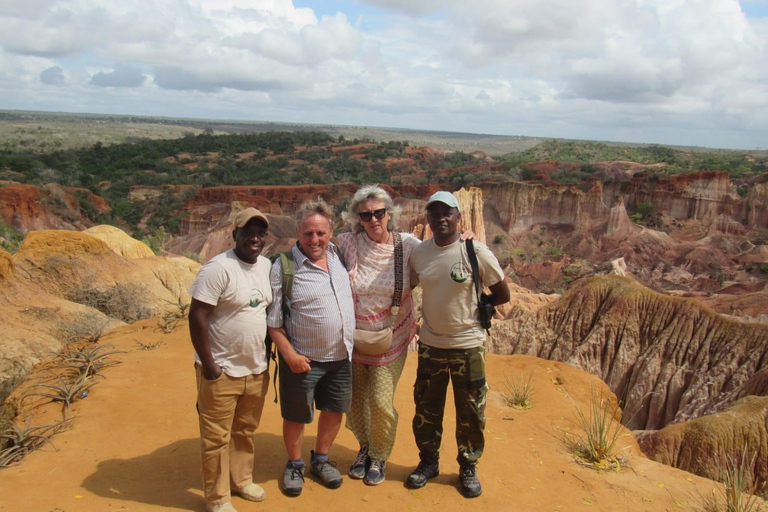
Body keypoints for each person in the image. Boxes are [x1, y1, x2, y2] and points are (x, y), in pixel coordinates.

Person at [407, 191, 511, 498]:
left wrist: (484, 306)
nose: (440, 219)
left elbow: (503, 294)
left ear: (458, 217)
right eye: (434, 214)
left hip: (468, 345)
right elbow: (411, 284)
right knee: (426, 408)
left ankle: (468, 467)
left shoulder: (475, 251)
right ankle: (428, 463)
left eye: (447, 213)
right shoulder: (420, 254)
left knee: (470, 412)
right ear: (427, 218)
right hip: (431, 345)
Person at [266, 198, 356, 498]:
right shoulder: (284, 266)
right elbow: (273, 322)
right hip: (302, 358)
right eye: (308, 233)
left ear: (331, 232)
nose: (315, 239)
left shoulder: (339, 255)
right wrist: (289, 355)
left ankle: (321, 459)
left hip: (341, 356)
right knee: (296, 415)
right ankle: (294, 464)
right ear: (298, 232)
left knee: (333, 411)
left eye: (320, 232)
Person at [188, 207, 273, 512]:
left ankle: (241, 480)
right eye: (247, 232)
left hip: (255, 369)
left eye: (259, 232)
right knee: (215, 439)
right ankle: (217, 499)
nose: (254, 238)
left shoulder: (265, 266)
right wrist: (210, 368)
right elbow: (197, 317)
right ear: (234, 234)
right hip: (221, 370)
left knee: (245, 431)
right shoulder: (217, 268)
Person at [335, 185, 421, 486]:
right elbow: (315, 249)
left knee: (381, 402)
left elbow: (438, 256)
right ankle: (365, 448)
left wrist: (466, 240)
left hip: (391, 339)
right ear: (358, 218)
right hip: (355, 339)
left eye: (379, 213)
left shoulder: (407, 245)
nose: (373, 220)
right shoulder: (347, 243)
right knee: (357, 400)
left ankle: (380, 455)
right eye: (366, 215)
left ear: (389, 214)